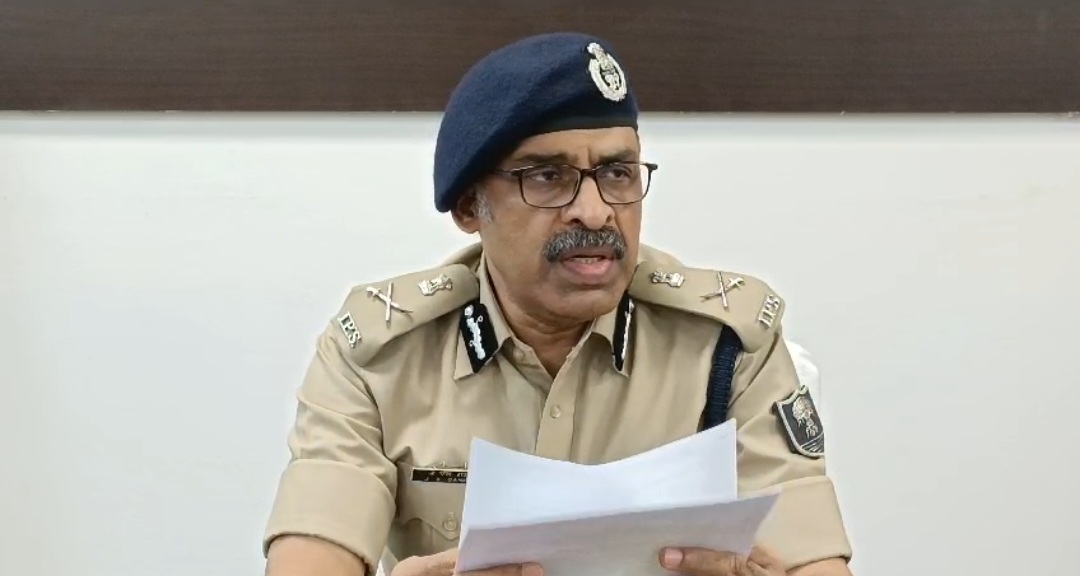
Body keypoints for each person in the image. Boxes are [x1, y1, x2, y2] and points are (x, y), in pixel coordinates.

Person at [262, 31, 853, 576]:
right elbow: (310, 558)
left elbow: (812, 563)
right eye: (547, 177)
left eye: (617, 173)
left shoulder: (728, 344)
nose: (595, 212)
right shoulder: (376, 355)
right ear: (469, 207)